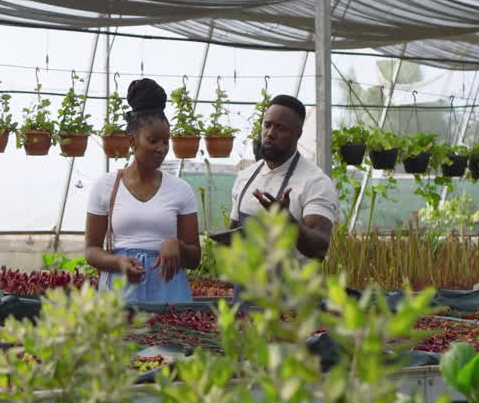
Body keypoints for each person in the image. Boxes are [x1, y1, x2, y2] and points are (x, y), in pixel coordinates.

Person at [85, 79, 201, 303]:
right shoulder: (105, 187)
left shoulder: (181, 190)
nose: (162, 148)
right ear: (132, 140)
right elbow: (91, 250)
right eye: (153, 140)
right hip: (120, 292)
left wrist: (177, 245)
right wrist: (118, 262)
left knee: (169, 338)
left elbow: (194, 257)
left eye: (166, 141)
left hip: (169, 293)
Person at [227, 94, 337, 264]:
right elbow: (232, 235)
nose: (270, 133)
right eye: (267, 125)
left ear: (298, 134)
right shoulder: (245, 177)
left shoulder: (315, 182)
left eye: (280, 128)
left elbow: (319, 249)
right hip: (246, 286)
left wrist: (288, 220)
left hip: (292, 288)